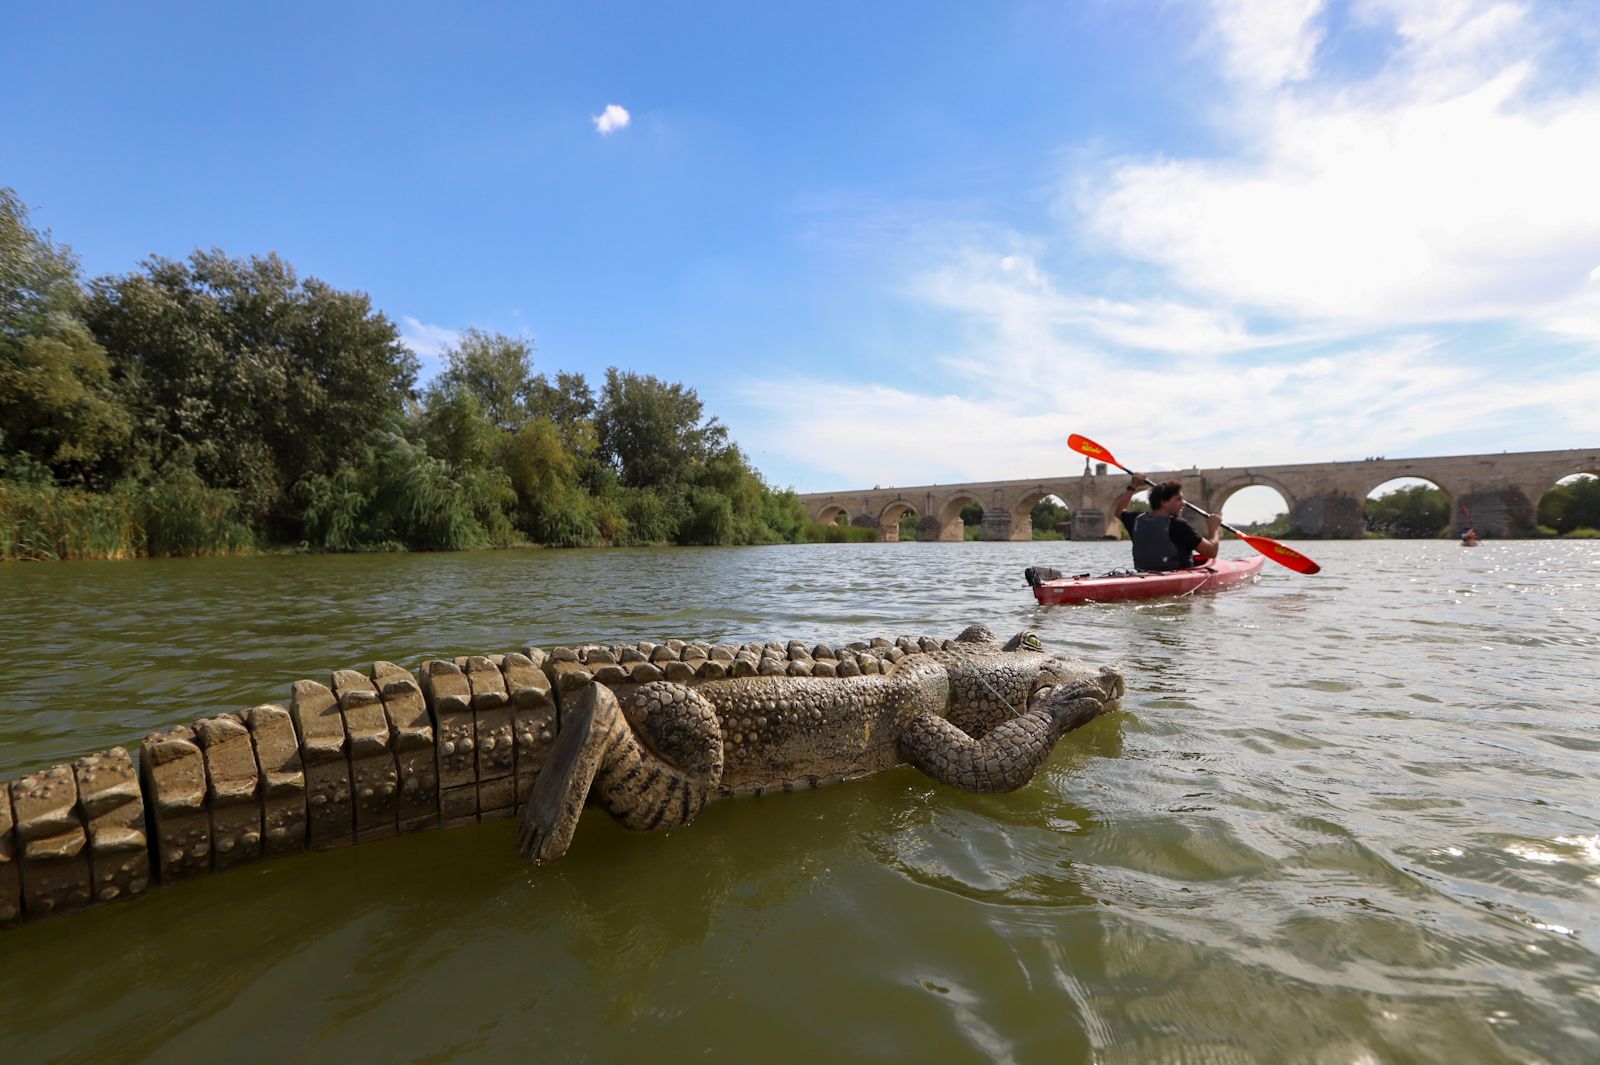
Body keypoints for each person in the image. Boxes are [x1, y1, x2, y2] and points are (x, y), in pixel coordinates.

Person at [1114, 475, 1222, 571]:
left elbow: (1119, 512)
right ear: (1163, 502)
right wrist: (1214, 528)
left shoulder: (1137, 519)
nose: (1183, 503)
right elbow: (1211, 552)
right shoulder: (1178, 525)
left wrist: (1133, 486)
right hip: (1176, 577)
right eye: (1178, 499)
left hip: (1143, 574)